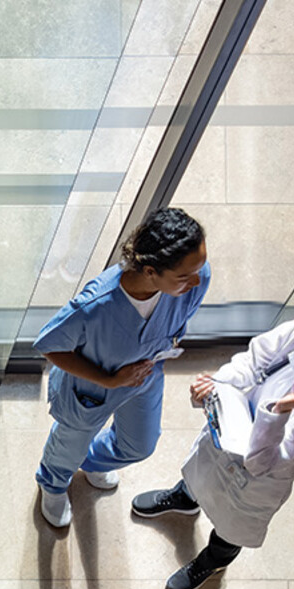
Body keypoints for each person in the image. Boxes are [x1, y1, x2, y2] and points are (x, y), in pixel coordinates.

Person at [131, 317, 294, 589]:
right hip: (234, 424)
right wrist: (218, 385)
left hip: (259, 478)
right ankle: (185, 498)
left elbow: (261, 463)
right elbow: (254, 360)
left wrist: (281, 410)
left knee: (232, 528)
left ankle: (212, 561)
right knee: (200, 471)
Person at [33, 208, 211, 528]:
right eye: (185, 276)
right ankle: (53, 482)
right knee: (70, 443)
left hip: (145, 378)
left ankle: (88, 462)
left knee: (139, 445)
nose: (198, 280)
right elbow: (50, 345)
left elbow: (177, 319)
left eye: (198, 268)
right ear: (150, 270)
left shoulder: (196, 280)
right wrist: (107, 379)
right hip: (91, 388)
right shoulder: (95, 306)